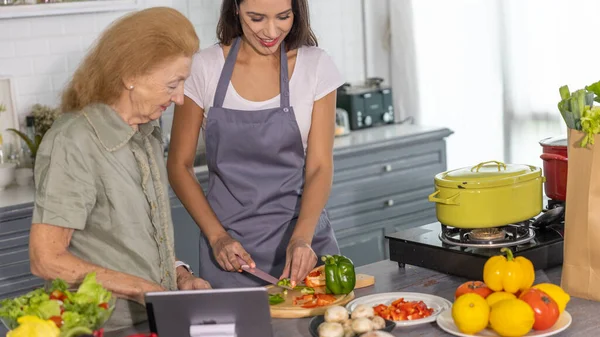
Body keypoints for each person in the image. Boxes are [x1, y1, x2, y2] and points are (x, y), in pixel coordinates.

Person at [28, 7, 211, 331]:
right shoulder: (75, 141)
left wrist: (179, 274)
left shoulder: (147, 134)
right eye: (173, 84)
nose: (181, 98)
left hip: (152, 322)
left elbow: (135, 240)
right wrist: (144, 289)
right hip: (104, 326)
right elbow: (46, 259)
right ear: (130, 75)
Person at [167, 0, 345, 289]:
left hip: (304, 246)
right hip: (230, 253)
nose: (271, 31)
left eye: (283, 17)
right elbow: (178, 165)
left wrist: (302, 238)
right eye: (257, 18)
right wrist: (217, 237)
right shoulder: (204, 67)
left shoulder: (316, 66)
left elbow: (320, 166)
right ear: (236, 8)